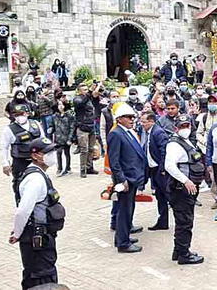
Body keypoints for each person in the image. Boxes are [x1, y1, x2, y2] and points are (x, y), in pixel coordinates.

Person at [8, 138, 65, 290]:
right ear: (35, 156)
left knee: (38, 275)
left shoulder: (38, 174)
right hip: (37, 238)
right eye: (47, 152)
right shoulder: (35, 179)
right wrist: (17, 233)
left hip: (40, 236)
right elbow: (22, 210)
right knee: (42, 278)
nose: (52, 155)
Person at [164, 114, 205, 264]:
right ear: (176, 128)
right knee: (185, 222)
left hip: (188, 189)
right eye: (181, 126)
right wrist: (185, 180)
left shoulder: (186, 141)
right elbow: (169, 165)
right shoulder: (174, 144)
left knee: (183, 221)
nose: (185, 129)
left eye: (187, 125)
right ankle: (184, 255)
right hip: (181, 189)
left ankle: (179, 250)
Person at [106, 103, 147, 253]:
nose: (132, 120)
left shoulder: (128, 132)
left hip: (133, 177)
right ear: (119, 119)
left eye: (133, 117)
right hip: (126, 180)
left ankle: (124, 236)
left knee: (129, 209)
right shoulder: (116, 134)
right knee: (124, 210)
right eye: (128, 117)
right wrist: (121, 180)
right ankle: (122, 243)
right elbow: (114, 161)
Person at [0, 104, 44, 199]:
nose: (19, 117)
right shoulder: (9, 129)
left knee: (39, 182)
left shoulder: (35, 124)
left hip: (36, 161)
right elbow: (4, 147)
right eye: (16, 115)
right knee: (19, 185)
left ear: (27, 113)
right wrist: (5, 163)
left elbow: (43, 140)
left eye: (21, 114)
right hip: (20, 161)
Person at [139, 111, 170, 231]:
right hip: (152, 169)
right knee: (160, 195)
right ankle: (163, 221)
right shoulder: (147, 133)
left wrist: (162, 169)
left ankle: (176, 219)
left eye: (144, 122)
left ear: (151, 121)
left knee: (166, 194)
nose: (142, 124)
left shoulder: (158, 132)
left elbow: (164, 151)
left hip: (159, 169)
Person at [73, 83, 101, 178]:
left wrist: (97, 90)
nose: (86, 91)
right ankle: (83, 169)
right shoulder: (77, 99)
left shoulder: (89, 98)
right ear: (79, 91)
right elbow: (81, 103)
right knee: (84, 150)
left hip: (91, 126)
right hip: (82, 127)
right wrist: (89, 92)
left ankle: (89, 167)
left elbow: (96, 105)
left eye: (86, 89)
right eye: (84, 89)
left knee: (91, 149)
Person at [51, 100, 74, 177]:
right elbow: (52, 127)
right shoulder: (54, 116)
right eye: (59, 105)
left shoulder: (69, 116)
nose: (60, 106)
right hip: (58, 138)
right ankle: (59, 168)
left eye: (62, 104)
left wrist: (70, 139)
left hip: (67, 138)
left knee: (67, 153)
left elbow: (72, 127)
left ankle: (68, 168)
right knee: (59, 152)